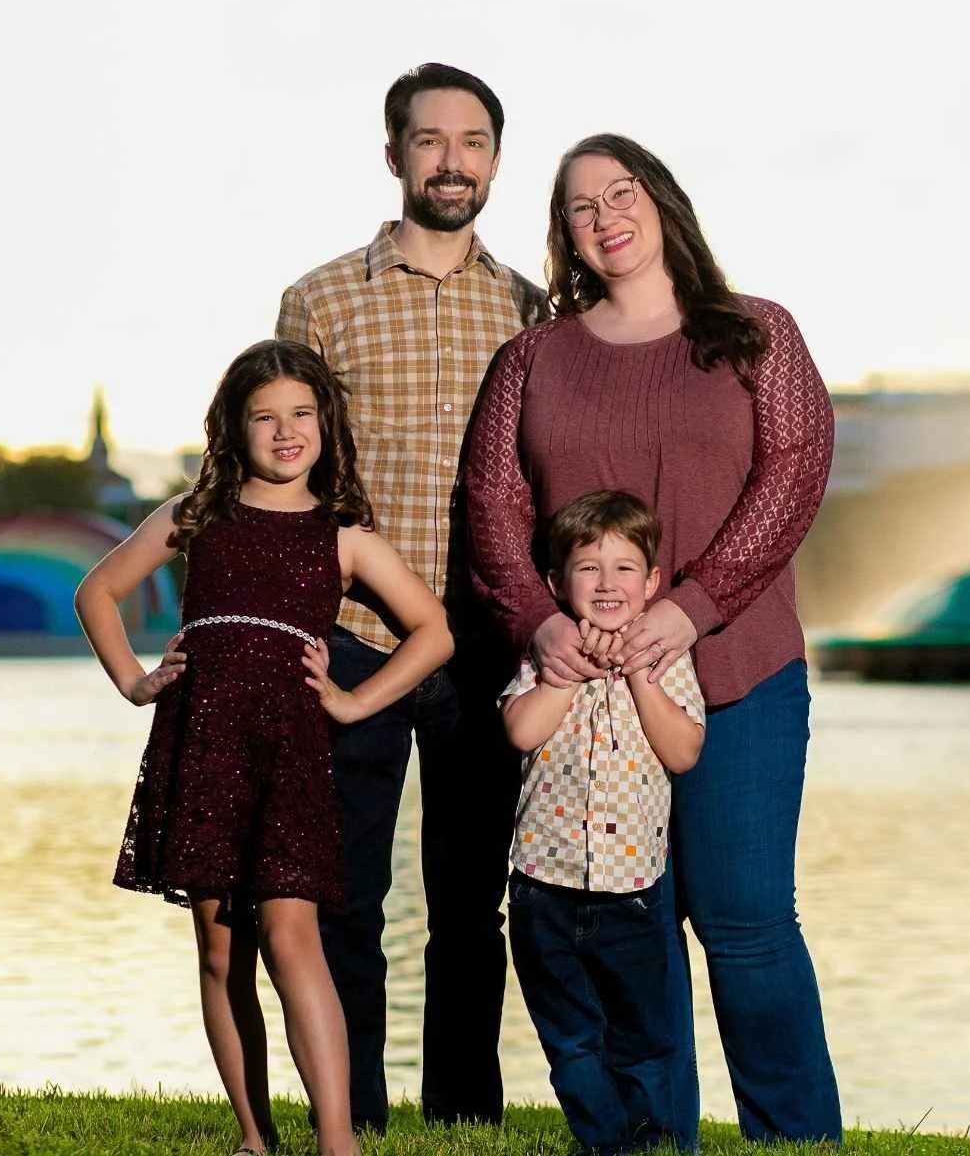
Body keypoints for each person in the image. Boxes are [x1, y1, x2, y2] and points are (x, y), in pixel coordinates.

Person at [461, 133, 844, 1144]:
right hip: (580, 691)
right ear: (565, 237)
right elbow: (493, 505)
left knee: (746, 925)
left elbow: (794, 475)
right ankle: (645, 1141)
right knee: (632, 942)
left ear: (662, 202)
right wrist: (540, 626)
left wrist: (690, 605)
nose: (603, 217)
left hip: (735, 672)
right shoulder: (531, 359)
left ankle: (795, 1139)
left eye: (618, 193)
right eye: (579, 208)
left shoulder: (757, 333)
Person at [76, 339, 454, 1156]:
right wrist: (136, 681)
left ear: (326, 424)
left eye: (302, 415)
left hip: (288, 752)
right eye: (265, 416)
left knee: (293, 935)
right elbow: (97, 589)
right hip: (202, 744)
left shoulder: (343, 536)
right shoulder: (194, 515)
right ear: (233, 427)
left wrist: (354, 700)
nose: (286, 432)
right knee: (220, 946)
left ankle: (337, 1141)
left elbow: (433, 632)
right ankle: (255, 1137)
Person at [274, 62, 546, 1132]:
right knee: (345, 898)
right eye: (429, 142)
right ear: (394, 156)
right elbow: (285, 464)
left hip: (484, 642)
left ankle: (464, 1117)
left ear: (493, 160)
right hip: (351, 640)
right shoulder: (322, 297)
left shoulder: (533, 308)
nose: (451, 161)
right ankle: (358, 1117)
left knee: (471, 906)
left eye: (472, 142)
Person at [502, 489, 705, 1154]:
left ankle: (650, 1139)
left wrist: (641, 675)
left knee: (644, 1038)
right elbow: (521, 731)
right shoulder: (545, 655)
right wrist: (563, 677)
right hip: (545, 885)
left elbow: (683, 750)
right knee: (571, 1038)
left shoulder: (669, 661)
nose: (608, 582)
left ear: (651, 582)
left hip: (632, 894)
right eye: (590, 567)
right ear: (559, 583)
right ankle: (604, 1139)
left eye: (625, 568)